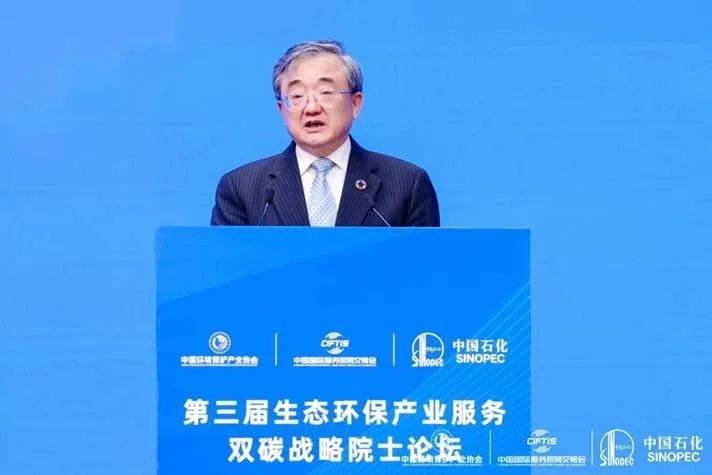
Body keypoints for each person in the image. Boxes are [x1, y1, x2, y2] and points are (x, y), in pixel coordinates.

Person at [211, 40, 439, 227]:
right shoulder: (240, 189)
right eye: (297, 96)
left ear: (356, 103)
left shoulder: (407, 185)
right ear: (281, 109)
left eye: (326, 92)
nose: (311, 108)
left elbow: (427, 266)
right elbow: (229, 267)